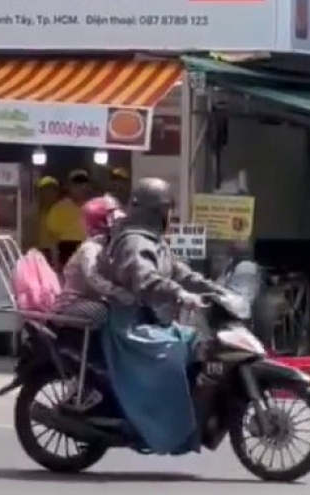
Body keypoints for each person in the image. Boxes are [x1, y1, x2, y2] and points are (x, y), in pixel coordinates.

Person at [97, 177, 225, 454]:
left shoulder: (154, 241)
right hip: (129, 324)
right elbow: (146, 279)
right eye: (166, 210)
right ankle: (155, 425)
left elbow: (180, 272)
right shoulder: (133, 242)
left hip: (151, 319)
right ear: (155, 212)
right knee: (171, 351)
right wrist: (180, 294)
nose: (169, 216)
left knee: (197, 342)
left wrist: (217, 290)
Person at [52, 194, 131, 325]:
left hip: (91, 302)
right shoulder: (90, 248)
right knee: (105, 312)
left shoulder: (109, 247)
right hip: (72, 305)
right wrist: (119, 293)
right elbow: (93, 276)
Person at [45, 169, 93, 268]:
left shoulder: (95, 207)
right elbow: (53, 241)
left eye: (83, 185)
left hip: (89, 252)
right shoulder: (58, 209)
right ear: (69, 187)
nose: (80, 188)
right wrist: (56, 264)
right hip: (66, 253)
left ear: (88, 187)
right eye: (76, 185)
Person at [35, 176, 62, 261]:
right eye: (45, 190)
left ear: (57, 192)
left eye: (52, 190)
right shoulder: (34, 212)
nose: (48, 193)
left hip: (57, 252)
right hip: (38, 252)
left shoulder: (62, 211)